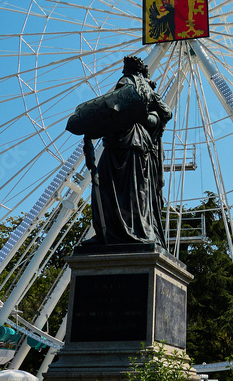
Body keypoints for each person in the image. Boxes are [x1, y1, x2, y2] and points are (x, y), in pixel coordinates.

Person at [66, 55, 172, 247]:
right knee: (115, 187)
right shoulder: (135, 86)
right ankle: (113, 232)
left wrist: (145, 117)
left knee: (126, 187)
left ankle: (132, 231)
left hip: (133, 142)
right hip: (119, 142)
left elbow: (164, 113)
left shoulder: (138, 87)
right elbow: (111, 111)